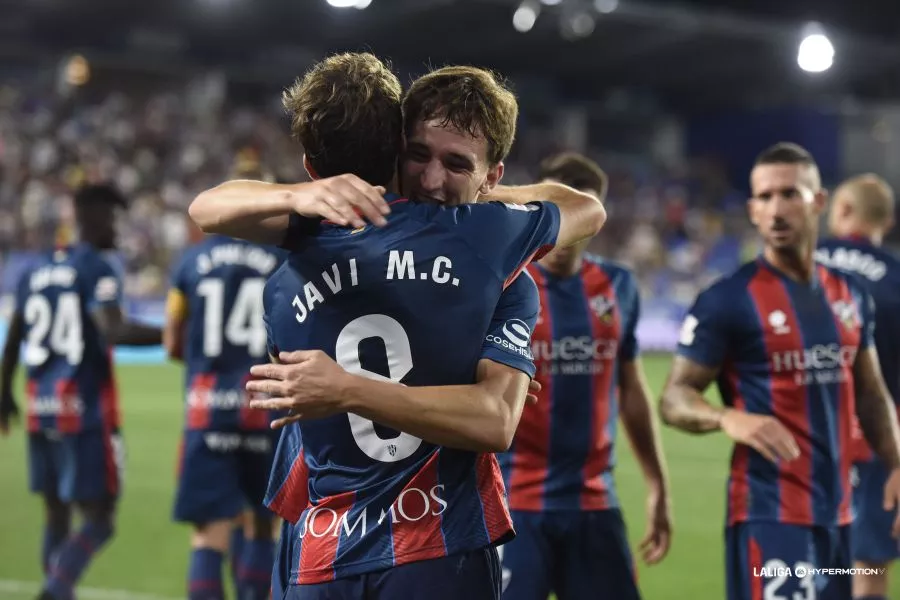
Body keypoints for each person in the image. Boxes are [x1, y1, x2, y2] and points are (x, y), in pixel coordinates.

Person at [190, 53, 606, 599]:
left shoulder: (295, 258)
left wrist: (295, 197)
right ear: (394, 150)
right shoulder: (494, 253)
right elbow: (586, 209)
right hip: (431, 547)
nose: (433, 179)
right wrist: (481, 202)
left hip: (323, 542)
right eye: (419, 155)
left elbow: (207, 206)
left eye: (456, 164)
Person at [659, 142, 900, 600]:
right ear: (752, 209)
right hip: (768, 513)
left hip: (839, 515)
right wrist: (727, 417)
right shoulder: (727, 300)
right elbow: (674, 398)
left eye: (789, 194)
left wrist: (896, 462)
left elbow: (871, 394)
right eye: (765, 198)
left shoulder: (850, 296)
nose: (776, 209)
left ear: (819, 202)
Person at [497, 152, 671, 600]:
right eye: (556, 209)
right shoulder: (505, 284)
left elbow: (631, 388)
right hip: (512, 505)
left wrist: (657, 485)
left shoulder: (619, 287)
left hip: (594, 504)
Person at [0, 184, 161, 600]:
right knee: (100, 518)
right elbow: (114, 330)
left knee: (55, 514)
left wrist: (4, 392)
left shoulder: (35, 271)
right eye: (112, 216)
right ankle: (55, 589)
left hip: (41, 407)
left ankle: (57, 589)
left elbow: (14, 335)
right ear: (90, 217)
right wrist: (177, 333)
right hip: (84, 412)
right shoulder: (96, 267)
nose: (118, 227)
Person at [163, 217, 286, 600]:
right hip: (264, 407)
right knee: (265, 525)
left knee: (208, 533)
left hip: (207, 407)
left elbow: (171, 344)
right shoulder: (280, 258)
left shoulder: (192, 261)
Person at [816, 173, 900, 600]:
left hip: (802, 445)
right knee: (868, 569)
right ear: (885, 220)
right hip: (878, 447)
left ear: (844, 209)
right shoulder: (896, 277)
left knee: (797, 566)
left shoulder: (799, 262)